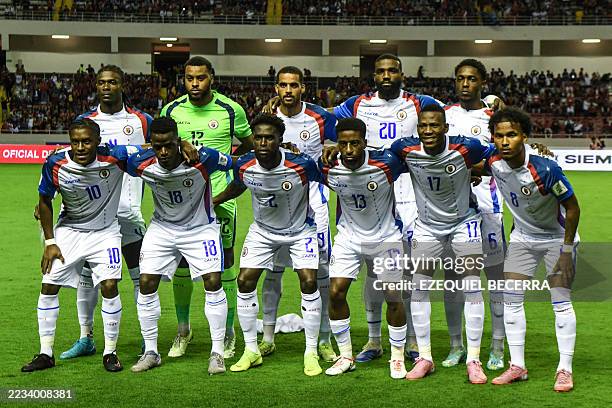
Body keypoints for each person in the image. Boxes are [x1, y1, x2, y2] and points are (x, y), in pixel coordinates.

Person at [389, 104, 493, 383]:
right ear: (417, 128)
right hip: (427, 227)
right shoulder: (405, 148)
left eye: (434, 125)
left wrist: (477, 169)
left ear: (445, 127)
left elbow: (498, 156)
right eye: (423, 126)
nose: (428, 131)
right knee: (419, 288)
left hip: (465, 223)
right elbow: (379, 161)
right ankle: (425, 357)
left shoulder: (466, 147)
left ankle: (473, 359)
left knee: (471, 286)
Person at [21, 119, 135, 373]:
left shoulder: (115, 157)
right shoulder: (56, 163)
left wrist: (180, 143)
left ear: (97, 142)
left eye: (86, 141)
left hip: (105, 233)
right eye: (75, 141)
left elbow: (152, 149)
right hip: (70, 230)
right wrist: (50, 242)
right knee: (49, 285)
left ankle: (110, 352)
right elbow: (44, 199)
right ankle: (45, 353)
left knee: (109, 284)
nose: (80, 147)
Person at [214, 114, 323, 376]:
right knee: (244, 281)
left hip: (300, 231)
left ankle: (311, 351)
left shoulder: (301, 165)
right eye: (259, 137)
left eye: (269, 138)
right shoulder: (245, 165)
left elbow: (327, 178)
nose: (263, 142)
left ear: (280, 140)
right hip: (263, 232)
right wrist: (214, 201)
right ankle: (251, 350)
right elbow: (238, 186)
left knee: (309, 281)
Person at [58, 65, 153, 360]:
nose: (107, 87)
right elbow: (74, 166)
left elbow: (152, 157)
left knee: (141, 277)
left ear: (123, 84)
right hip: (93, 217)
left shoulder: (142, 121)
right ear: (96, 86)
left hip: (129, 212)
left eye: (112, 82)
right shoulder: (84, 121)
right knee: (88, 278)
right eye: (102, 83)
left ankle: (144, 338)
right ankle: (86, 337)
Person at [160, 56, 253, 359]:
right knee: (182, 266)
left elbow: (249, 143)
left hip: (220, 199)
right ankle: (183, 330)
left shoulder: (230, 109)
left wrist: (228, 163)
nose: (195, 84)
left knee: (224, 266)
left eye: (200, 78)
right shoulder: (171, 110)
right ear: (183, 80)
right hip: (183, 202)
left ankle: (227, 334)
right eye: (189, 78)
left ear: (211, 77)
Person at [128, 117, 232, 374]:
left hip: (200, 228)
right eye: (158, 146)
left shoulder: (203, 158)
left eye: (169, 145)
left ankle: (217, 353)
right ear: (151, 144)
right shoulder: (140, 162)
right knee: (146, 283)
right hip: (162, 228)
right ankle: (151, 351)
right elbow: (107, 153)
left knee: (213, 281)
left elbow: (237, 164)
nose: (163, 152)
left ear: (178, 142)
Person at [485, 108, 579, 392]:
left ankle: (565, 369)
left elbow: (573, 208)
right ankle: (517, 366)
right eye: (499, 136)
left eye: (512, 135)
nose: (505, 141)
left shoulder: (546, 169)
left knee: (560, 302)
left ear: (524, 137)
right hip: (523, 239)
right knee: (511, 300)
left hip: (556, 238)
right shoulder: (492, 160)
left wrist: (565, 250)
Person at [259, 66, 337, 362]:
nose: (288, 90)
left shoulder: (319, 116)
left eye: (293, 85)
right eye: (283, 85)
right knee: (273, 271)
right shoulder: (268, 118)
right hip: (275, 206)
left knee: (320, 272)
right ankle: (267, 338)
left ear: (302, 87)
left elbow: (338, 143)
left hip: (313, 203)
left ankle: (325, 339)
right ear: (276, 88)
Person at [321, 118, 408, 379]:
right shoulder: (328, 166)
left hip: (386, 237)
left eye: (355, 144)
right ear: (337, 144)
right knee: (335, 293)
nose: (349, 150)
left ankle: (397, 356)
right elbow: (298, 166)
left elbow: (420, 161)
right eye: (343, 144)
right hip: (348, 237)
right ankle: (346, 355)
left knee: (393, 295)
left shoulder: (386, 163)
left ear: (365, 143)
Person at [442, 59, 506, 370]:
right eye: (460, 79)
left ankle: (497, 345)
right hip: (454, 208)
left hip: (489, 204)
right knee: (454, 278)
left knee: (494, 277)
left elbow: (503, 153)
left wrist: (476, 168)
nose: (465, 84)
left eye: (471, 79)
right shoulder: (444, 115)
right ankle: (456, 344)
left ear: (482, 82)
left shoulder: (495, 115)